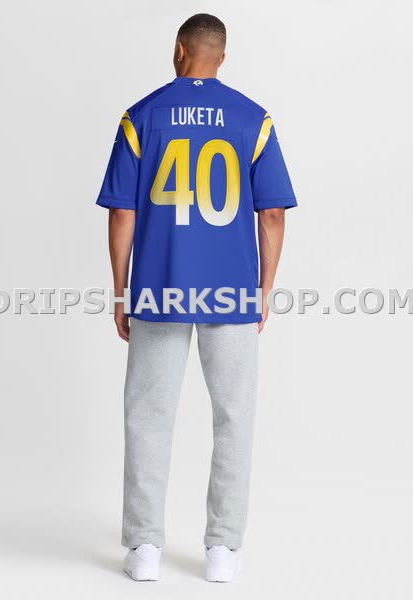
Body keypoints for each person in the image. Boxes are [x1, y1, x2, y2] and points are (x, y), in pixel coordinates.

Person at [96, 13, 296, 582]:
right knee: (234, 416)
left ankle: (144, 549)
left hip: (159, 285)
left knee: (148, 414)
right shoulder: (254, 119)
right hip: (231, 291)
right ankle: (222, 551)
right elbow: (273, 213)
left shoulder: (141, 116)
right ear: (221, 57)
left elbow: (123, 213)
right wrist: (264, 291)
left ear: (179, 50)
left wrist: (121, 292)